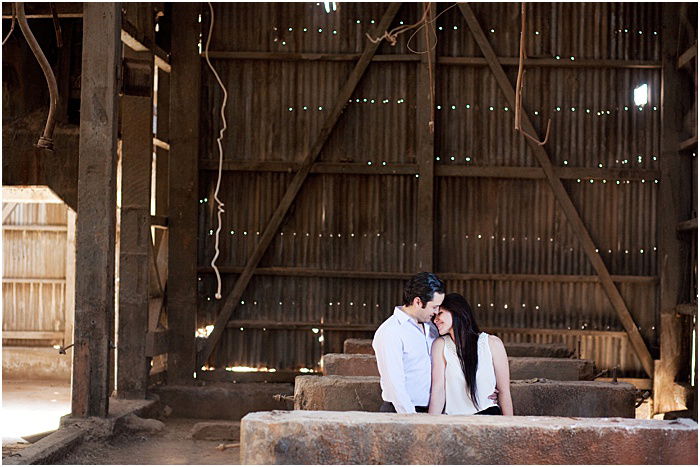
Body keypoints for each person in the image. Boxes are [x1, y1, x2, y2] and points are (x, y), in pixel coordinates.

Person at [428, 293, 513, 416]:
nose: (435, 320)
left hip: (488, 416)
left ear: (457, 312)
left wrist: (511, 427)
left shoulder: (492, 343)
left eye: (440, 314)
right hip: (454, 420)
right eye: (434, 316)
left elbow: (504, 391)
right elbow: (438, 390)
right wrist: (430, 426)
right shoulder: (440, 345)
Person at [372, 272, 446, 413]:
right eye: (434, 307)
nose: (437, 312)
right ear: (418, 302)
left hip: (432, 412)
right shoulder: (391, 331)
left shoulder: (432, 328)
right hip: (401, 412)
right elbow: (395, 384)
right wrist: (412, 419)